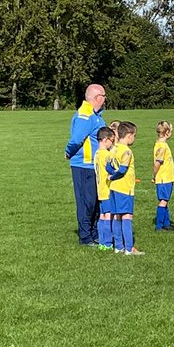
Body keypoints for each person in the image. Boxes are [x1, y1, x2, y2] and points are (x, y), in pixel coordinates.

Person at [64, 84, 107, 245]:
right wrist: (68, 152)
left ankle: (95, 233)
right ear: (97, 98)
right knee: (86, 202)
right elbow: (76, 139)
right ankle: (85, 237)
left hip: (95, 165)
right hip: (84, 165)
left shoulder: (96, 116)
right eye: (104, 96)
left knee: (95, 201)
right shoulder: (85, 115)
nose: (105, 99)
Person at [106, 122, 142, 255]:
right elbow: (122, 170)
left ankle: (118, 247)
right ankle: (129, 248)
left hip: (114, 188)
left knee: (116, 216)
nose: (134, 138)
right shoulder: (126, 151)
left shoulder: (113, 149)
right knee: (127, 216)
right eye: (134, 136)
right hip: (124, 188)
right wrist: (113, 176)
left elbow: (108, 166)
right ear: (129, 135)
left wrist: (111, 175)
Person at [92, 125, 117, 249]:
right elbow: (112, 169)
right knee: (108, 215)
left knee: (102, 215)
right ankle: (107, 242)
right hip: (107, 189)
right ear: (106, 140)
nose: (112, 143)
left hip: (100, 188)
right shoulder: (107, 155)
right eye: (112, 140)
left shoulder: (96, 154)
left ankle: (102, 242)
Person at [152, 121, 174, 231]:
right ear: (167, 132)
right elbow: (157, 163)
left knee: (165, 201)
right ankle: (159, 225)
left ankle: (166, 223)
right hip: (164, 178)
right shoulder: (162, 147)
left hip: (167, 178)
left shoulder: (161, 144)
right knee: (163, 201)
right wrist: (154, 175)